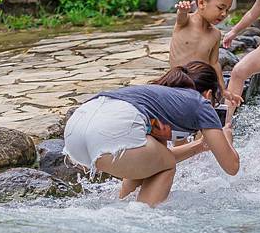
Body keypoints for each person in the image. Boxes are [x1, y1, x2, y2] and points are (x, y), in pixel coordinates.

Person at [62, 61, 239, 207]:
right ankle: (140, 219)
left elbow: (153, 159)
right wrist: (226, 139)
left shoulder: (157, 99)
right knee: (167, 165)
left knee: (156, 165)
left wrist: (201, 146)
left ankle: (119, 207)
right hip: (111, 128)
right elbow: (231, 167)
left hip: (76, 129)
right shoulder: (201, 103)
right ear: (208, 95)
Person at [169, 0, 243, 109]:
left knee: (208, 107)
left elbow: (214, 63)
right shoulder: (185, 22)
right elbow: (181, 17)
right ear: (201, 3)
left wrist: (224, 90)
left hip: (201, 86)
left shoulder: (215, 34)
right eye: (221, 8)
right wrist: (182, 10)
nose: (224, 14)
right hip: (178, 83)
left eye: (227, 10)